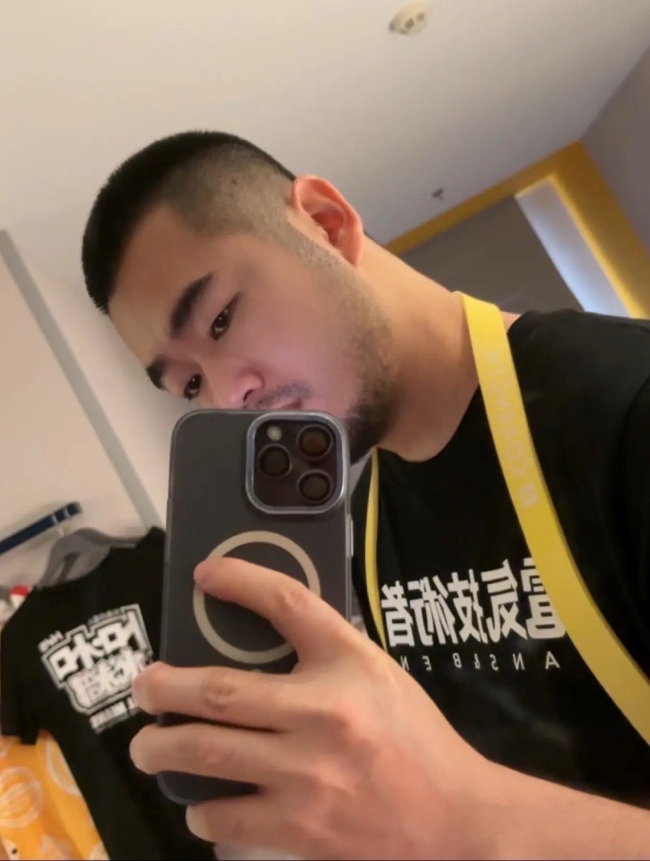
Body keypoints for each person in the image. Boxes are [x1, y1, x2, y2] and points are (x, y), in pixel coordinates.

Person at [81, 131, 650, 860]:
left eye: (220, 320)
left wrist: (461, 819)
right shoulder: (360, 526)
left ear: (326, 222)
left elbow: (454, 810)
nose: (228, 394)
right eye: (189, 383)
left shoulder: (623, 406)